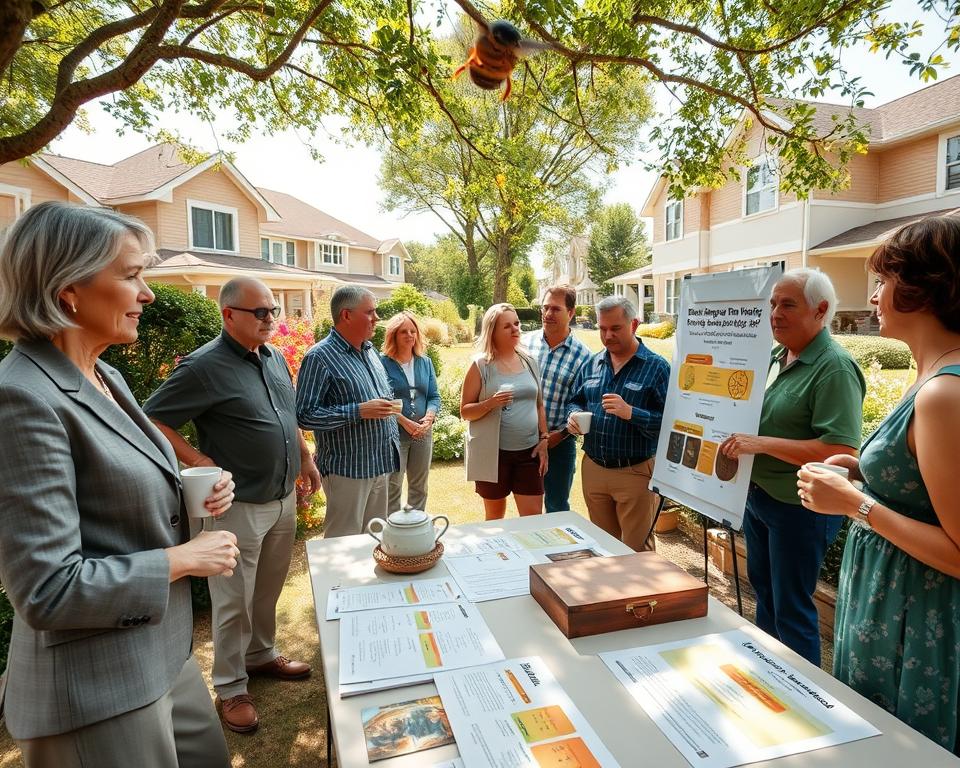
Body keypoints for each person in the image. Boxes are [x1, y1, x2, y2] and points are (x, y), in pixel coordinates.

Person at [0, 202, 238, 768]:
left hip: (162, 656)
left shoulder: (104, 373)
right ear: (69, 290)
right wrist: (183, 559)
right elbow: (48, 590)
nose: (148, 294)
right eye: (131, 276)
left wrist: (186, 490)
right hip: (95, 691)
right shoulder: (20, 398)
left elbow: (108, 495)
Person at [797, 216, 960, 753]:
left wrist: (855, 504)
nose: (872, 296)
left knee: (899, 749)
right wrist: (859, 466)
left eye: (884, 281)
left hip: (920, 619)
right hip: (890, 601)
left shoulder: (944, 394)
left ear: (922, 288)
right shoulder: (930, 375)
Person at [144, 277, 319, 734]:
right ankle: (230, 686)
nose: (269, 319)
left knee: (267, 589)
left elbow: (288, 416)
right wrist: (201, 460)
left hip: (281, 498)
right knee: (232, 599)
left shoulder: (274, 357)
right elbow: (151, 417)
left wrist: (304, 459)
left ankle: (260, 655)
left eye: (273, 311)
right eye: (259, 312)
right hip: (236, 505)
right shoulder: (204, 367)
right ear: (229, 315)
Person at [720, 268, 864, 667]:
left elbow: (839, 449)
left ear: (820, 311)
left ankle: (803, 695)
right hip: (760, 498)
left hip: (800, 508)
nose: (775, 314)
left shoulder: (834, 367)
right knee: (764, 594)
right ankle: (770, 677)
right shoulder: (774, 356)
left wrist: (761, 444)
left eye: (788, 304)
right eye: (772, 304)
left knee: (792, 609)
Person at [566, 296, 669, 552]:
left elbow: (671, 424)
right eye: (602, 328)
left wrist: (631, 412)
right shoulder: (592, 364)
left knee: (636, 552)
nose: (607, 335)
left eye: (615, 328)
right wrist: (573, 415)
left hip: (634, 472)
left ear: (634, 324)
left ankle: (643, 594)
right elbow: (575, 399)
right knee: (602, 548)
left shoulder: (657, 367)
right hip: (594, 469)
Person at [296, 286, 400, 537]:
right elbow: (305, 415)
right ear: (346, 315)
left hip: (381, 463)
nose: (376, 318)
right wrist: (358, 411)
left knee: (376, 539)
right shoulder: (319, 357)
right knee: (343, 545)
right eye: (370, 312)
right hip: (348, 470)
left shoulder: (370, 351)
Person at [461, 303, 549, 520]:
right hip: (493, 456)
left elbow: (539, 404)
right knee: (494, 520)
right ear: (493, 331)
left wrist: (545, 438)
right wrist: (491, 402)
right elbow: (465, 411)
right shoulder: (480, 365)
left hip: (529, 453)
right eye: (507, 326)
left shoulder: (529, 361)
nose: (515, 329)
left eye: (517, 323)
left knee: (533, 520)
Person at [523, 285, 592, 513]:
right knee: (527, 509)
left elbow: (582, 405)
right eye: (545, 308)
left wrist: (558, 436)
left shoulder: (584, 357)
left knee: (556, 507)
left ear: (571, 313)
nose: (548, 314)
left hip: (558, 444)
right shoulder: (524, 344)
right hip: (521, 440)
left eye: (556, 309)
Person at [380, 311, 441, 512]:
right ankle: (392, 533)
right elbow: (381, 401)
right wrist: (404, 421)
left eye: (413, 331)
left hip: (423, 434)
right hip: (394, 435)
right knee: (393, 487)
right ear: (393, 336)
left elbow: (433, 396)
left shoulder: (425, 362)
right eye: (403, 332)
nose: (409, 335)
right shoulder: (382, 363)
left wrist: (430, 416)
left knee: (419, 487)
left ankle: (416, 529)